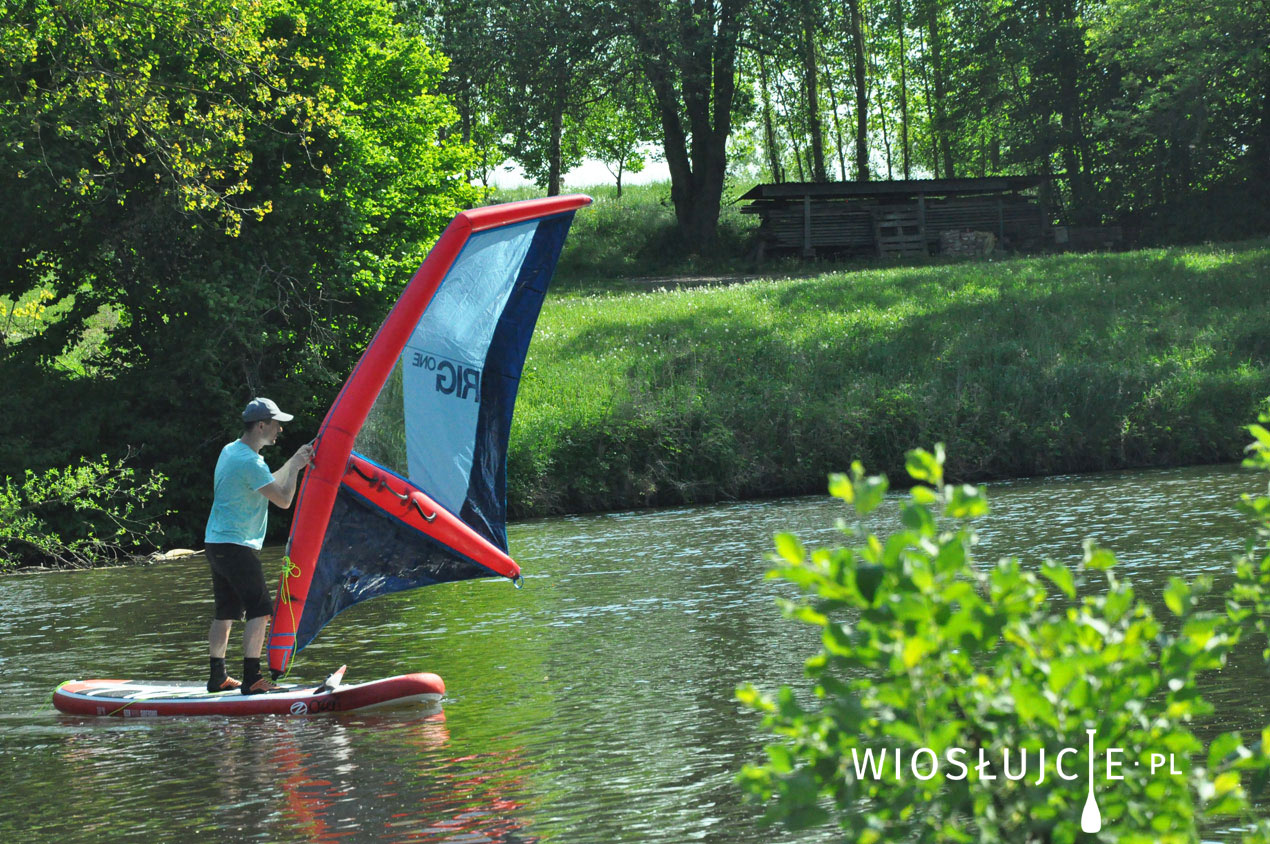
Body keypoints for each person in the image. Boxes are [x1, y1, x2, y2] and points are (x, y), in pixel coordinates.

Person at [203, 397, 314, 694]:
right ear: (261, 425)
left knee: (225, 612)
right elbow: (283, 499)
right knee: (261, 610)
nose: (280, 430)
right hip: (237, 545)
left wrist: (292, 463)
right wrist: (296, 470)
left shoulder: (232, 451)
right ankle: (252, 679)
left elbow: (266, 484)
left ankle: (218, 676)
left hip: (216, 542)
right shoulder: (249, 461)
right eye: (276, 424)